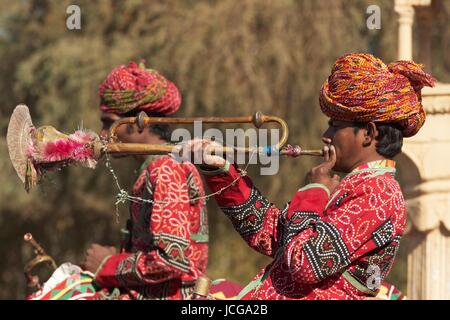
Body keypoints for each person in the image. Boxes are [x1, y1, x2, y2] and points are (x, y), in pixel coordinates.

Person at [181, 53, 435, 299]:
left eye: (335, 125)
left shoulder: (378, 194)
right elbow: (272, 236)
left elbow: (303, 263)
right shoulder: (354, 186)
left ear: (368, 134)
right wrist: (222, 171)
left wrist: (312, 191)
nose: (326, 135)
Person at [82, 61, 209, 300]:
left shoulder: (166, 170)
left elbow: (171, 260)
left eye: (109, 123)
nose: (101, 134)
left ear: (140, 121)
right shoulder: (158, 166)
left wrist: (108, 265)